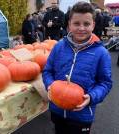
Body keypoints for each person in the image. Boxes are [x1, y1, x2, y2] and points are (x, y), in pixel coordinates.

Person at [42, 2, 112, 134]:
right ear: (69, 25)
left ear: (93, 25)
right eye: (76, 23)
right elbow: (48, 71)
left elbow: (105, 83)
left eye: (86, 24)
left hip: (82, 114)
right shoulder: (58, 47)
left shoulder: (101, 53)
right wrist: (50, 85)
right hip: (57, 109)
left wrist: (91, 97)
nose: (81, 28)